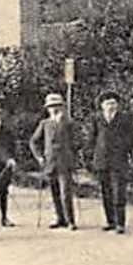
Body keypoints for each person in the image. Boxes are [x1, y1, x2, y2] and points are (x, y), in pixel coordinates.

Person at [86, 90, 133, 234]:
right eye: (108, 103)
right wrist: (89, 155)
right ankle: (110, 221)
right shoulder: (96, 119)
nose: (111, 106)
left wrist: (129, 151)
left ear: (118, 105)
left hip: (119, 160)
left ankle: (120, 223)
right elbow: (92, 138)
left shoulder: (125, 119)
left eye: (113, 103)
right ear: (102, 105)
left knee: (119, 192)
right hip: (101, 161)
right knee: (105, 192)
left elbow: (132, 138)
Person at [29, 92, 78, 229]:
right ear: (47, 108)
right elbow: (33, 141)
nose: (54, 108)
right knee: (54, 192)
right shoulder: (45, 123)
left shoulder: (68, 122)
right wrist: (39, 156)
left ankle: (70, 221)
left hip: (64, 162)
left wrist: (73, 156)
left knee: (65, 193)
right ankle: (59, 218)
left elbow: (76, 141)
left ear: (62, 107)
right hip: (50, 163)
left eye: (57, 106)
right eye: (51, 106)